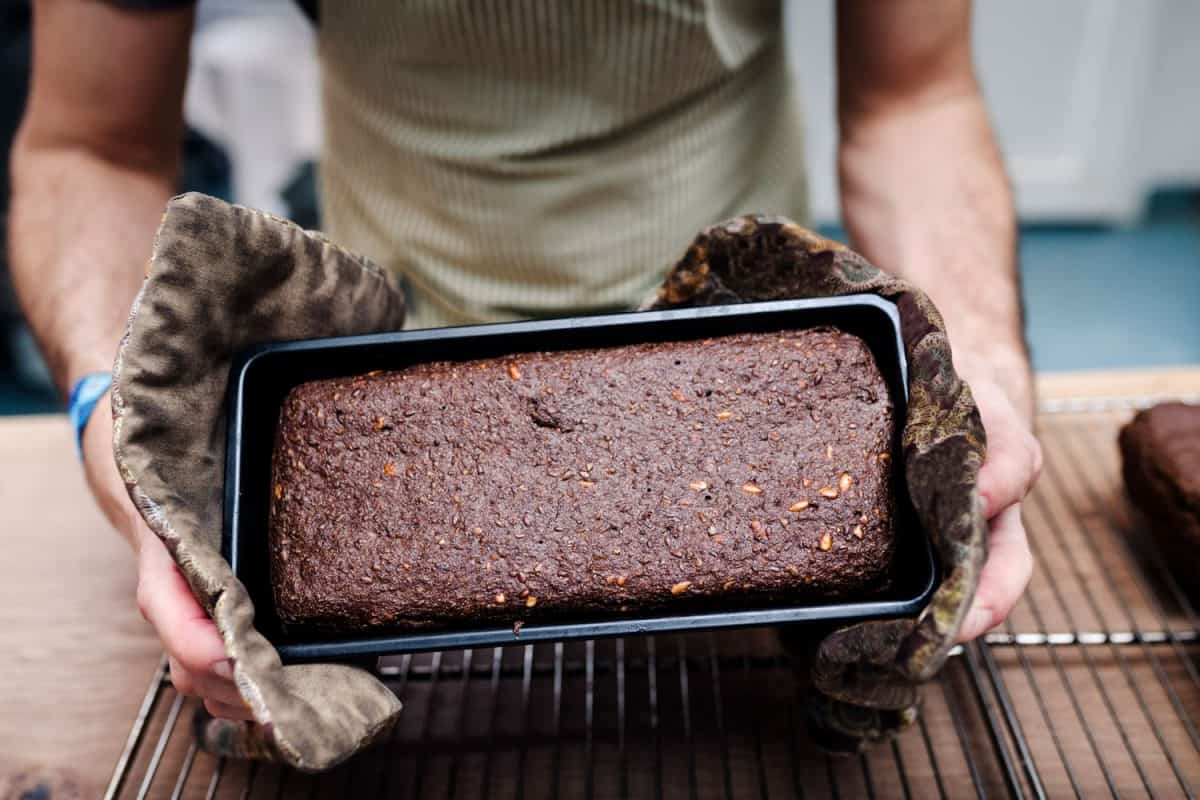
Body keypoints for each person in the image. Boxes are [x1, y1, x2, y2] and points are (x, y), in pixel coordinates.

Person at [8, 0, 1041, 723]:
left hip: (759, 338)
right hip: (392, 351)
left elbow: (916, 100)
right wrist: (125, 426)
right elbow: (87, 149)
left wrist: (978, 374)